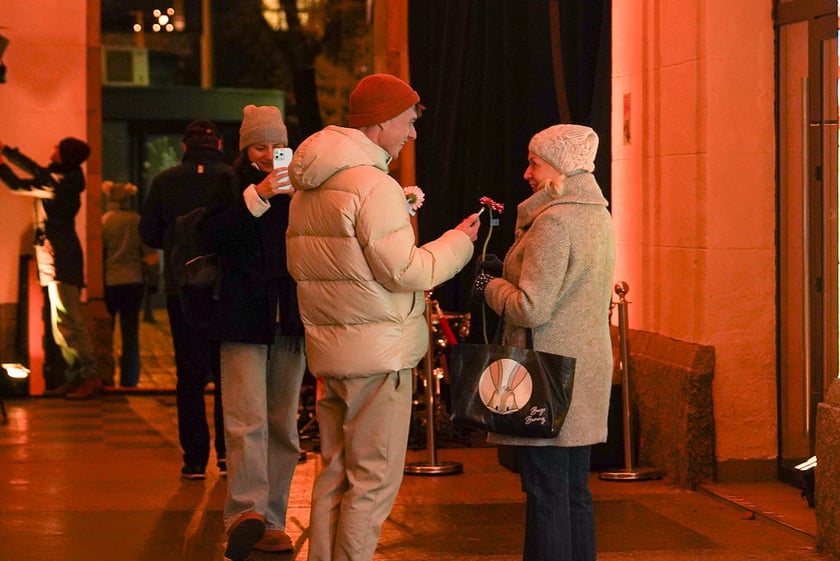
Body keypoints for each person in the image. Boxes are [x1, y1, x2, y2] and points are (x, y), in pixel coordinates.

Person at [286, 73, 481, 561]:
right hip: (379, 356)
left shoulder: (310, 187)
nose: (412, 133)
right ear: (382, 121)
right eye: (409, 122)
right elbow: (404, 272)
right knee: (372, 481)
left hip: (331, 353)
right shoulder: (373, 185)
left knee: (335, 473)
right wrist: (459, 242)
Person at [471, 124, 616, 561]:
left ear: (559, 166)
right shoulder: (598, 215)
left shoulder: (553, 222)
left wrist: (488, 284)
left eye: (534, 163)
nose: (527, 173)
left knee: (546, 492)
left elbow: (531, 308)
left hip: (548, 375)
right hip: (583, 370)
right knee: (574, 491)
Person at [200, 105, 307, 561]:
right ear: (245, 148)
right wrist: (258, 196)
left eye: (277, 145)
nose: (269, 154)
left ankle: (274, 520)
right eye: (260, 146)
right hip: (243, 317)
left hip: (291, 318)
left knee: (283, 424)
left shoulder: (303, 184)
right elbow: (211, 235)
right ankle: (246, 515)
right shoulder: (229, 182)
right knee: (246, 421)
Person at [139, 120, 234, 480]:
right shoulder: (231, 176)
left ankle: (194, 459)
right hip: (226, 287)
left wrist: (177, 240)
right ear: (218, 144)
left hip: (182, 286)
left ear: (184, 147)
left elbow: (149, 233)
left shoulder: (165, 181)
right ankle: (227, 453)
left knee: (188, 376)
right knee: (228, 372)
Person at [0, 137, 102, 399]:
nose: (53, 149)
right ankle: (75, 377)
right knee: (60, 325)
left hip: (62, 258)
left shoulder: (59, 184)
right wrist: (6, 151)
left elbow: (19, 184)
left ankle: (90, 376)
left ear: (67, 155)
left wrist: (2, 163)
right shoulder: (60, 178)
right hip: (52, 256)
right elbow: (36, 170)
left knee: (71, 321)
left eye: (58, 148)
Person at [101, 180, 156, 388]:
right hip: (134, 282)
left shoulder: (104, 221)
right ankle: (129, 379)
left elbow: (100, 253)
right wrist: (152, 279)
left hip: (110, 282)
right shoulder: (137, 221)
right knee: (130, 334)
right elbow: (150, 255)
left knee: (106, 333)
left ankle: (106, 376)